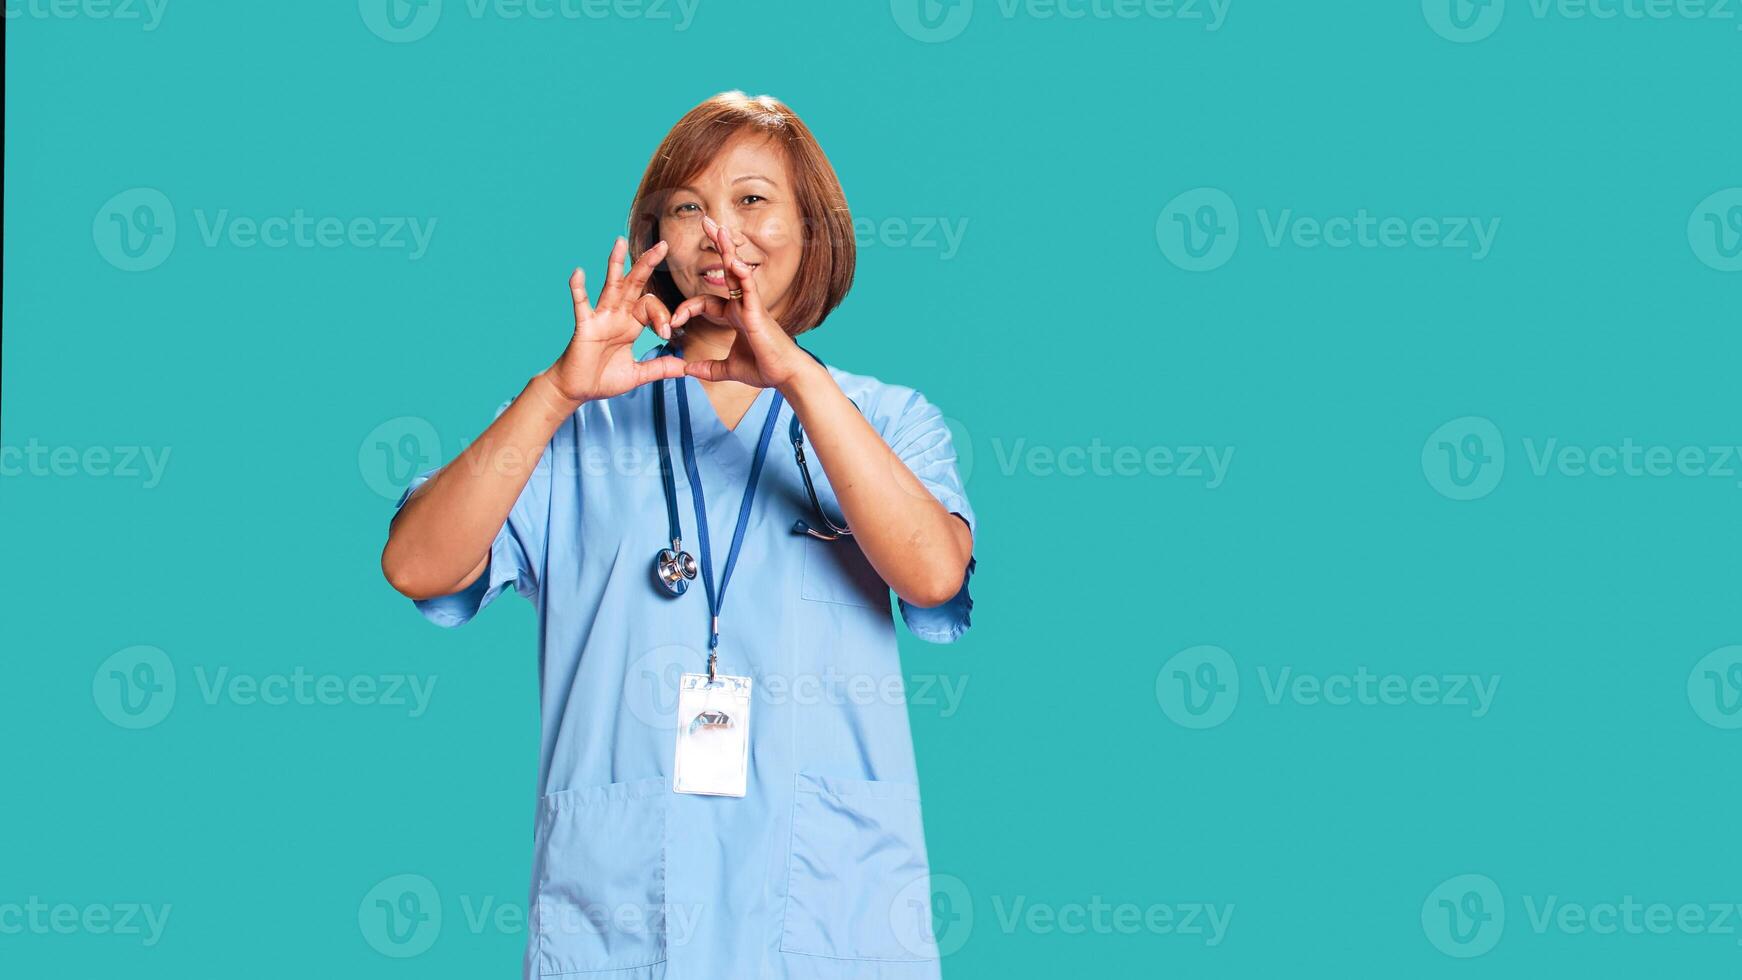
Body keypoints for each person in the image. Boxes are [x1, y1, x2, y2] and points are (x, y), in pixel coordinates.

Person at [382, 91, 977, 979]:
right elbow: (415, 563)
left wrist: (801, 383)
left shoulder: (888, 420)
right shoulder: (581, 419)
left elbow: (931, 574)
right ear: (657, 236)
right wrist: (554, 394)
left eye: (751, 200)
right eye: (688, 207)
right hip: (620, 916)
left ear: (809, 230)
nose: (720, 233)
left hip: (828, 911)